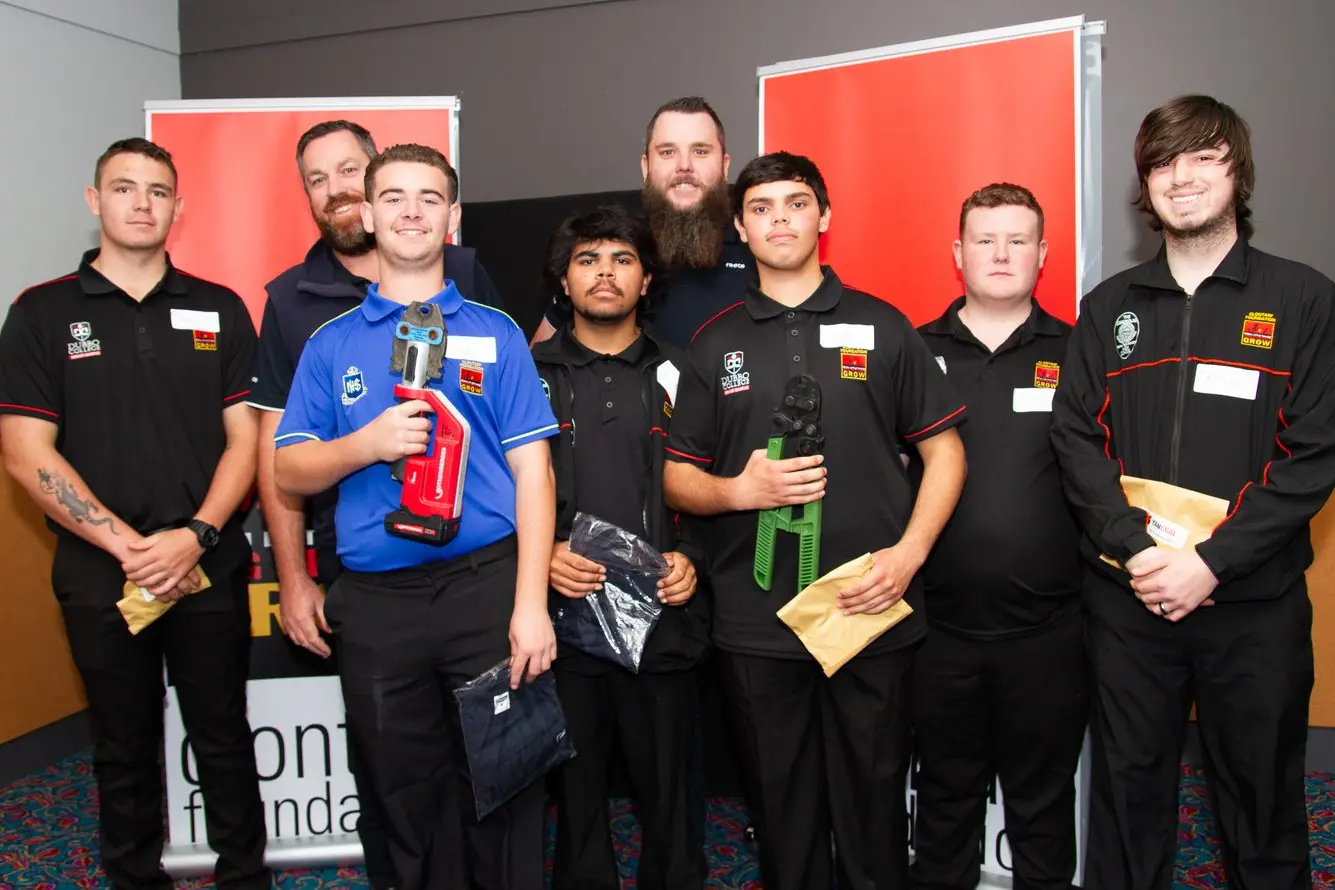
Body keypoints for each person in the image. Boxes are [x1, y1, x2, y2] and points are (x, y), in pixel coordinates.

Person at [1051, 94, 1335, 890]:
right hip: (1127, 601)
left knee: (1262, 801)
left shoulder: (1303, 299)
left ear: (1236, 170)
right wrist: (1137, 552)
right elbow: (1075, 441)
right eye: (1162, 162)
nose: (1181, 177)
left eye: (1203, 157)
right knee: (1128, 797)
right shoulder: (1107, 310)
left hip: (1251, 607)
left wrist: (1210, 563)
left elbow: (1312, 454)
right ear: (1145, 184)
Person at [663, 151, 968, 890]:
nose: (779, 220)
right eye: (761, 208)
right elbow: (676, 477)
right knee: (782, 813)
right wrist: (738, 492)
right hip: (755, 624)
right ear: (739, 225)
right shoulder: (714, 343)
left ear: (823, 218)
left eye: (795, 204)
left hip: (868, 609)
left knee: (872, 809)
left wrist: (907, 557)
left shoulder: (884, 325)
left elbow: (946, 453)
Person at [273, 143, 558, 890]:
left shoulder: (496, 333)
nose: (409, 211)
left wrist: (531, 605)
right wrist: (363, 445)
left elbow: (534, 472)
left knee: (505, 784)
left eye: (428, 198)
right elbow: (287, 468)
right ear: (366, 214)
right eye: (393, 197)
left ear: (452, 218)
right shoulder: (329, 345)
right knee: (400, 796)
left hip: (486, 592)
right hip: (377, 604)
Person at [0, 138, 269, 889]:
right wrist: (134, 550)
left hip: (207, 560)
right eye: (124, 188)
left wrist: (196, 536)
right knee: (122, 743)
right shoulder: (41, 311)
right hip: (98, 572)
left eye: (157, 191)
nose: (142, 203)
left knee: (222, 736)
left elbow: (245, 437)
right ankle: (133, 877)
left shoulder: (218, 307)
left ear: (178, 209)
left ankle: (246, 876)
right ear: (95, 202)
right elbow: (26, 453)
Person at [911, 183, 1085, 890]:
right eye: (985, 239)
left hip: (1048, 633)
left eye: (1018, 240)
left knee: (1042, 805)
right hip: (935, 630)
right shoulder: (913, 352)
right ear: (958, 254)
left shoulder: (1078, 353)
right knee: (944, 803)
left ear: (1043, 254)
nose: (1001, 253)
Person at [532, 205, 708, 890]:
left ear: (646, 279)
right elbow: (493, 488)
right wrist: (541, 551)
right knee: (575, 800)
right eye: (587, 260)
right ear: (563, 280)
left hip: (661, 615)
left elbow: (714, 480)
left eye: (621, 260)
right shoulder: (526, 372)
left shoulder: (683, 371)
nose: (604, 274)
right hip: (561, 618)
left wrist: (692, 553)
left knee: (669, 794)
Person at [531, 96, 754, 350]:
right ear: (646, 167)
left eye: (700, 151)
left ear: (725, 166)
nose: (684, 166)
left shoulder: (758, 247)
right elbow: (534, 370)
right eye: (667, 152)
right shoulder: (615, 249)